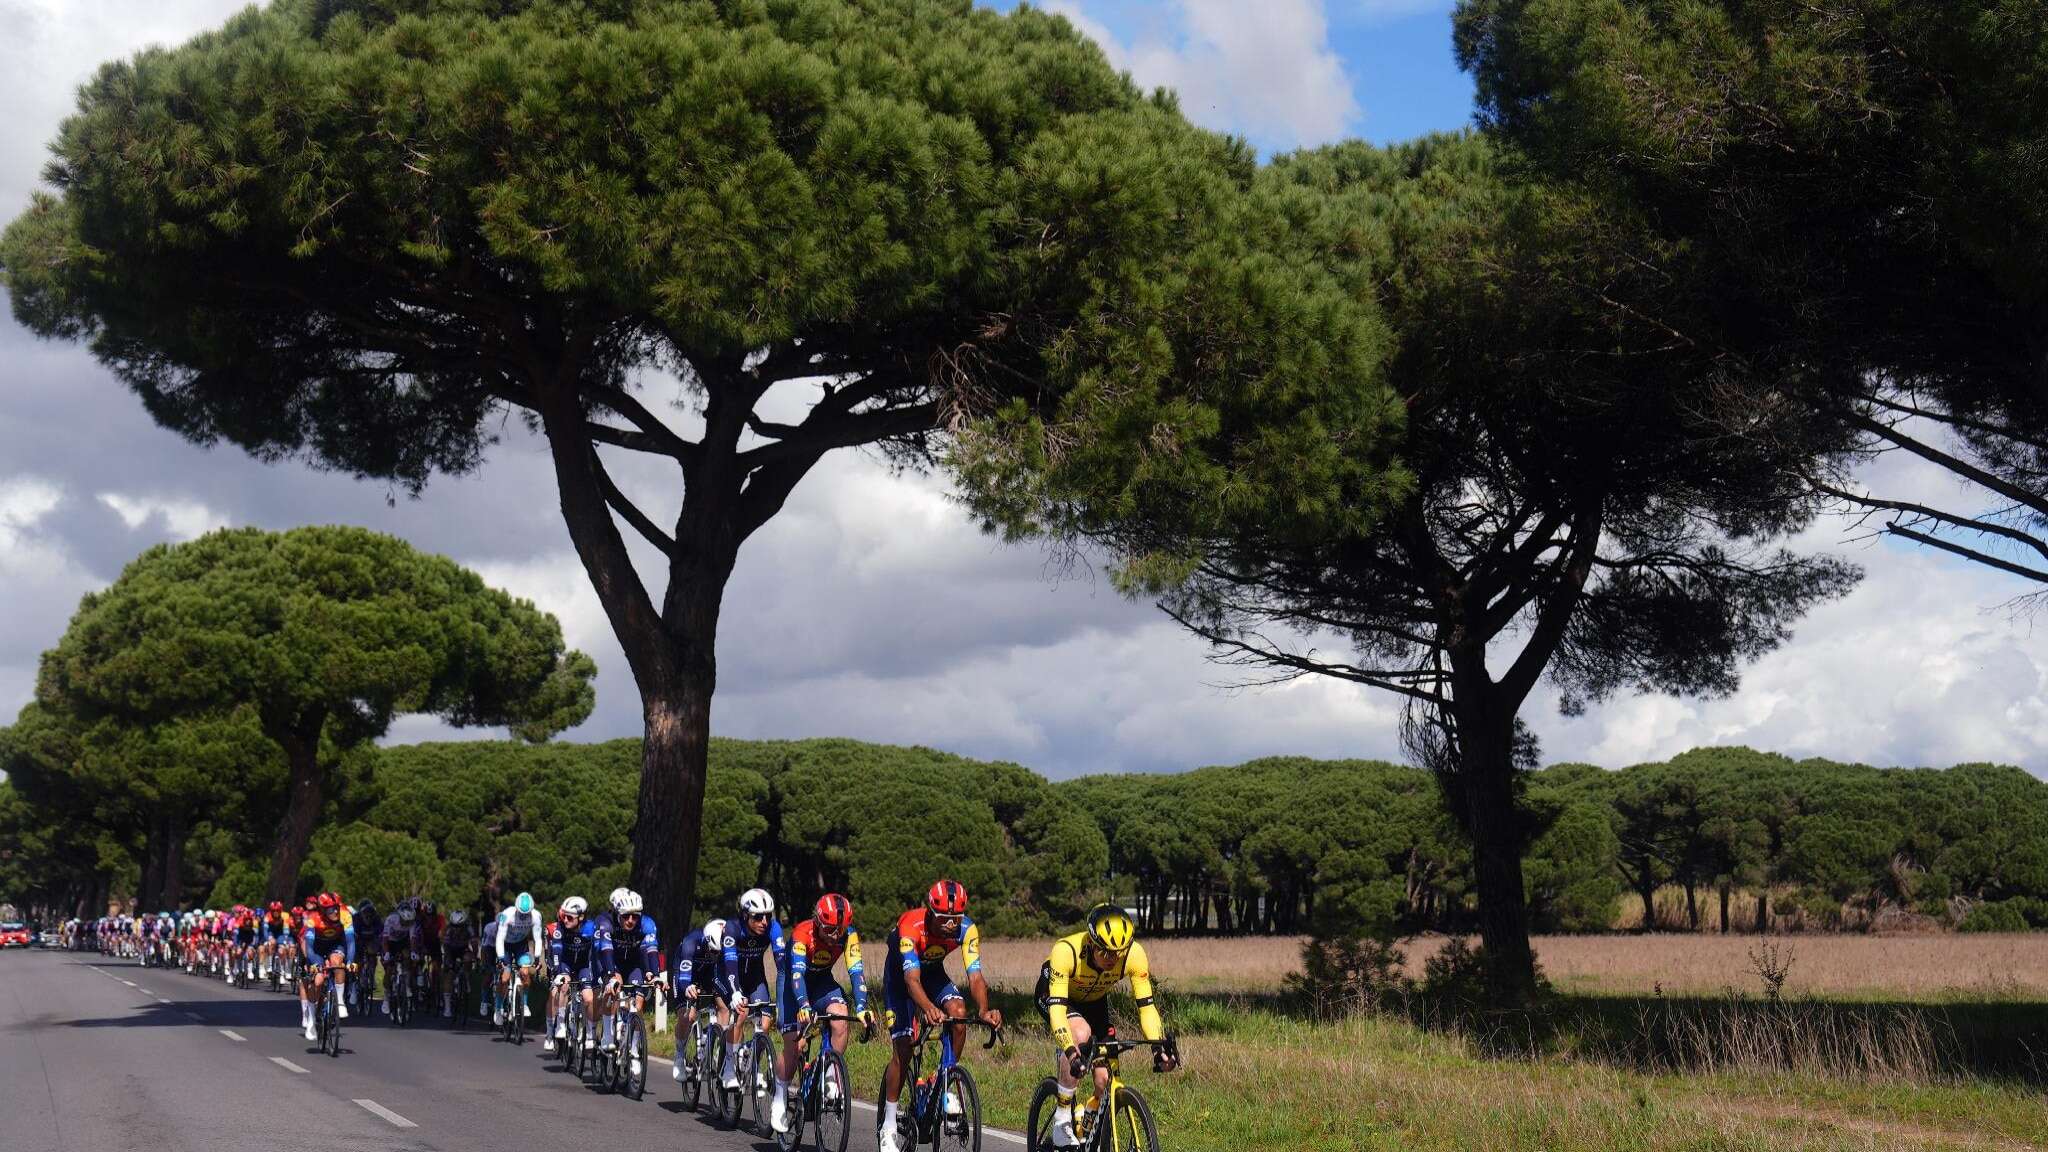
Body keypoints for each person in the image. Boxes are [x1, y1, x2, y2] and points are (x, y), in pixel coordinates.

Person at [1036, 904, 1178, 1148]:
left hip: (1094, 1002)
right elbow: (1058, 1012)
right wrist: (1071, 1052)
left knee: (1104, 1081)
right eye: (1106, 952)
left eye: (1119, 952)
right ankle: (1062, 1116)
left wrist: (1158, 1047)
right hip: (1056, 998)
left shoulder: (1134, 955)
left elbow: (1146, 1007)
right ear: (1091, 943)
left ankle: (1085, 1119)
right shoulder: (1065, 951)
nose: (1113, 959)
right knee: (1080, 1033)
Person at [878, 880, 1002, 1152]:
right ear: (931, 912)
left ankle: (944, 1079)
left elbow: (976, 976)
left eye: (955, 917)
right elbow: (911, 981)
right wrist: (927, 1007)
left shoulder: (967, 929)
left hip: (932, 973)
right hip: (901, 979)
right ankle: (887, 1124)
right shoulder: (911, 926)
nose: (950, 924)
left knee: (959, 1013)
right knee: (904, 1047)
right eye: (944, 918)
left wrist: (983, 1009)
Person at [770, 893, 874, 1135]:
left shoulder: (849, 935)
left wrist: (862, 1006)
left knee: (840, 1017)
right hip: (793, 984)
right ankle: (780, 1093)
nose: (835, 935)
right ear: (817, 921)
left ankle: (829, 1075)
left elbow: (856, 972)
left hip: (822, 981)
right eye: (829, 929)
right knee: (794, 1045)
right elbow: (797, 975)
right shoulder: (801, 933)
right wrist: (804, 1005)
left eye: (840, 929)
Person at [721, 888, 782, 1091]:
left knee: (765, 1022)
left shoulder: (773, 928)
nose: (764, 921)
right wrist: (735, 992)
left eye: (768, 916)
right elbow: (729, 962)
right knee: (741, 1013)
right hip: (731, 975)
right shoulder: (732, 928)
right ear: (745, 915)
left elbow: (782, 964)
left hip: (755, 977)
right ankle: (729, 1067)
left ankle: (752, 1064)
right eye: (758, 917)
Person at [597, 887, 661, 1071]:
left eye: (635, 916)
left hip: (634, 964)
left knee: (638, 1004)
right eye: (626, 916)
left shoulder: (647, 924)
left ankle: (634, 1051)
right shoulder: (605, 922)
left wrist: (654, 973)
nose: (631, 920)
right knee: (614, 988)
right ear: (617, 914)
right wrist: (610, 976)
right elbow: (606, 950)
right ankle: (608, 1035)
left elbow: (651, 950)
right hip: (612, 961)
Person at [671, 915, 728, 1083]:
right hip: (686, 973)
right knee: (687, 1016)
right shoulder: (691, 943)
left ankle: (720, 1049)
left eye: (720, 953)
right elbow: (684, 976)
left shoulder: (724, 947)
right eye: (714, 952)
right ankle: (680, 1054)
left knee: (724, 1006)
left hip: (711, 973)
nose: (716, 955)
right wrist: (688, 987)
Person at [546, 895, 604, 1054]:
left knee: (588, 998)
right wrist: (558, 973)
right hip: (565, 963)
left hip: (584, 965)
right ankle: (560, 1025)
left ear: (581, 917)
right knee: (563, 985)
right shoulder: (559, 929)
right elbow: (557, 952)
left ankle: (591, 1034)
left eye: (569, 917)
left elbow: (599, 952)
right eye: (563, 916)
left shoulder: (591, 928)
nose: (565, 920)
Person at [298, 893, 356, 1042]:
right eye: (330, 910)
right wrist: (315, 964)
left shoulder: (345, 916)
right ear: (323, 911)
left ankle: (340, 1001)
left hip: (335, 945)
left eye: (336, 908)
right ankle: (311, 1019)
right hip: (316, 948)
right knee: (317, 981)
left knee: (338, 963)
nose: (335, 912)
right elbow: (309, 948)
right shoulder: (313, 920)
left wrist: (350, 961)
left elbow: (350, 942)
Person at [493, 892, 546, 1027]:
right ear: (516, 908)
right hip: (505, 945)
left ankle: (524, 1003)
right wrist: (501, 958)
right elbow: (499, 938)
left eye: (526, 914)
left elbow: (538, 938)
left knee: (525, 973)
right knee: (505, 977)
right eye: (521, 913)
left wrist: (537, 957)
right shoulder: (507, 914)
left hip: (520, 945)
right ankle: (498, 1008)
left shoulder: (536, 916)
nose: (523, 916)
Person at [441, 907, 475, 1019]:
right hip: (450, 950)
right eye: (454, 926)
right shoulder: (448, 929)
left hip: (463, 949)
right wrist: (448, 963)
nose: (457, 929)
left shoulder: (469, 929)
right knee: (448, 975)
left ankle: (466, 977)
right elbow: (445, 947)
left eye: (459, 926)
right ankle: (447, 1007)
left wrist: (474, 954)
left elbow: (474, 942)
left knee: (468, 959)